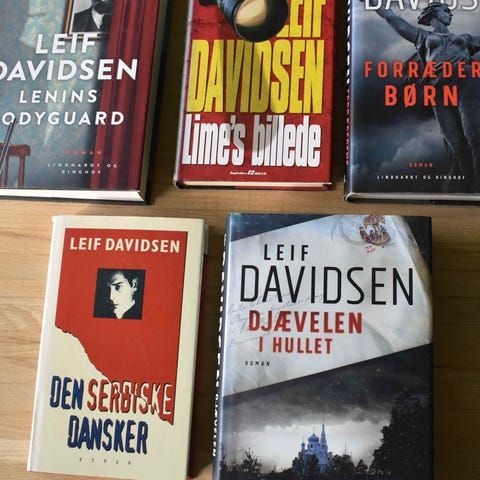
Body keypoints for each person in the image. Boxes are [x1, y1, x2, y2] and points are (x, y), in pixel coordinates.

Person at [360, 1, 480, 191]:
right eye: (446, 11)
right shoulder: (422, 36)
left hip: (464, 80)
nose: (450, 15)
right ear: (434, 13)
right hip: (438, 89)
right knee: (457, 147)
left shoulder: (465, 39)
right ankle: (470, 188)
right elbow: (391, 17)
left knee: (474, 137)